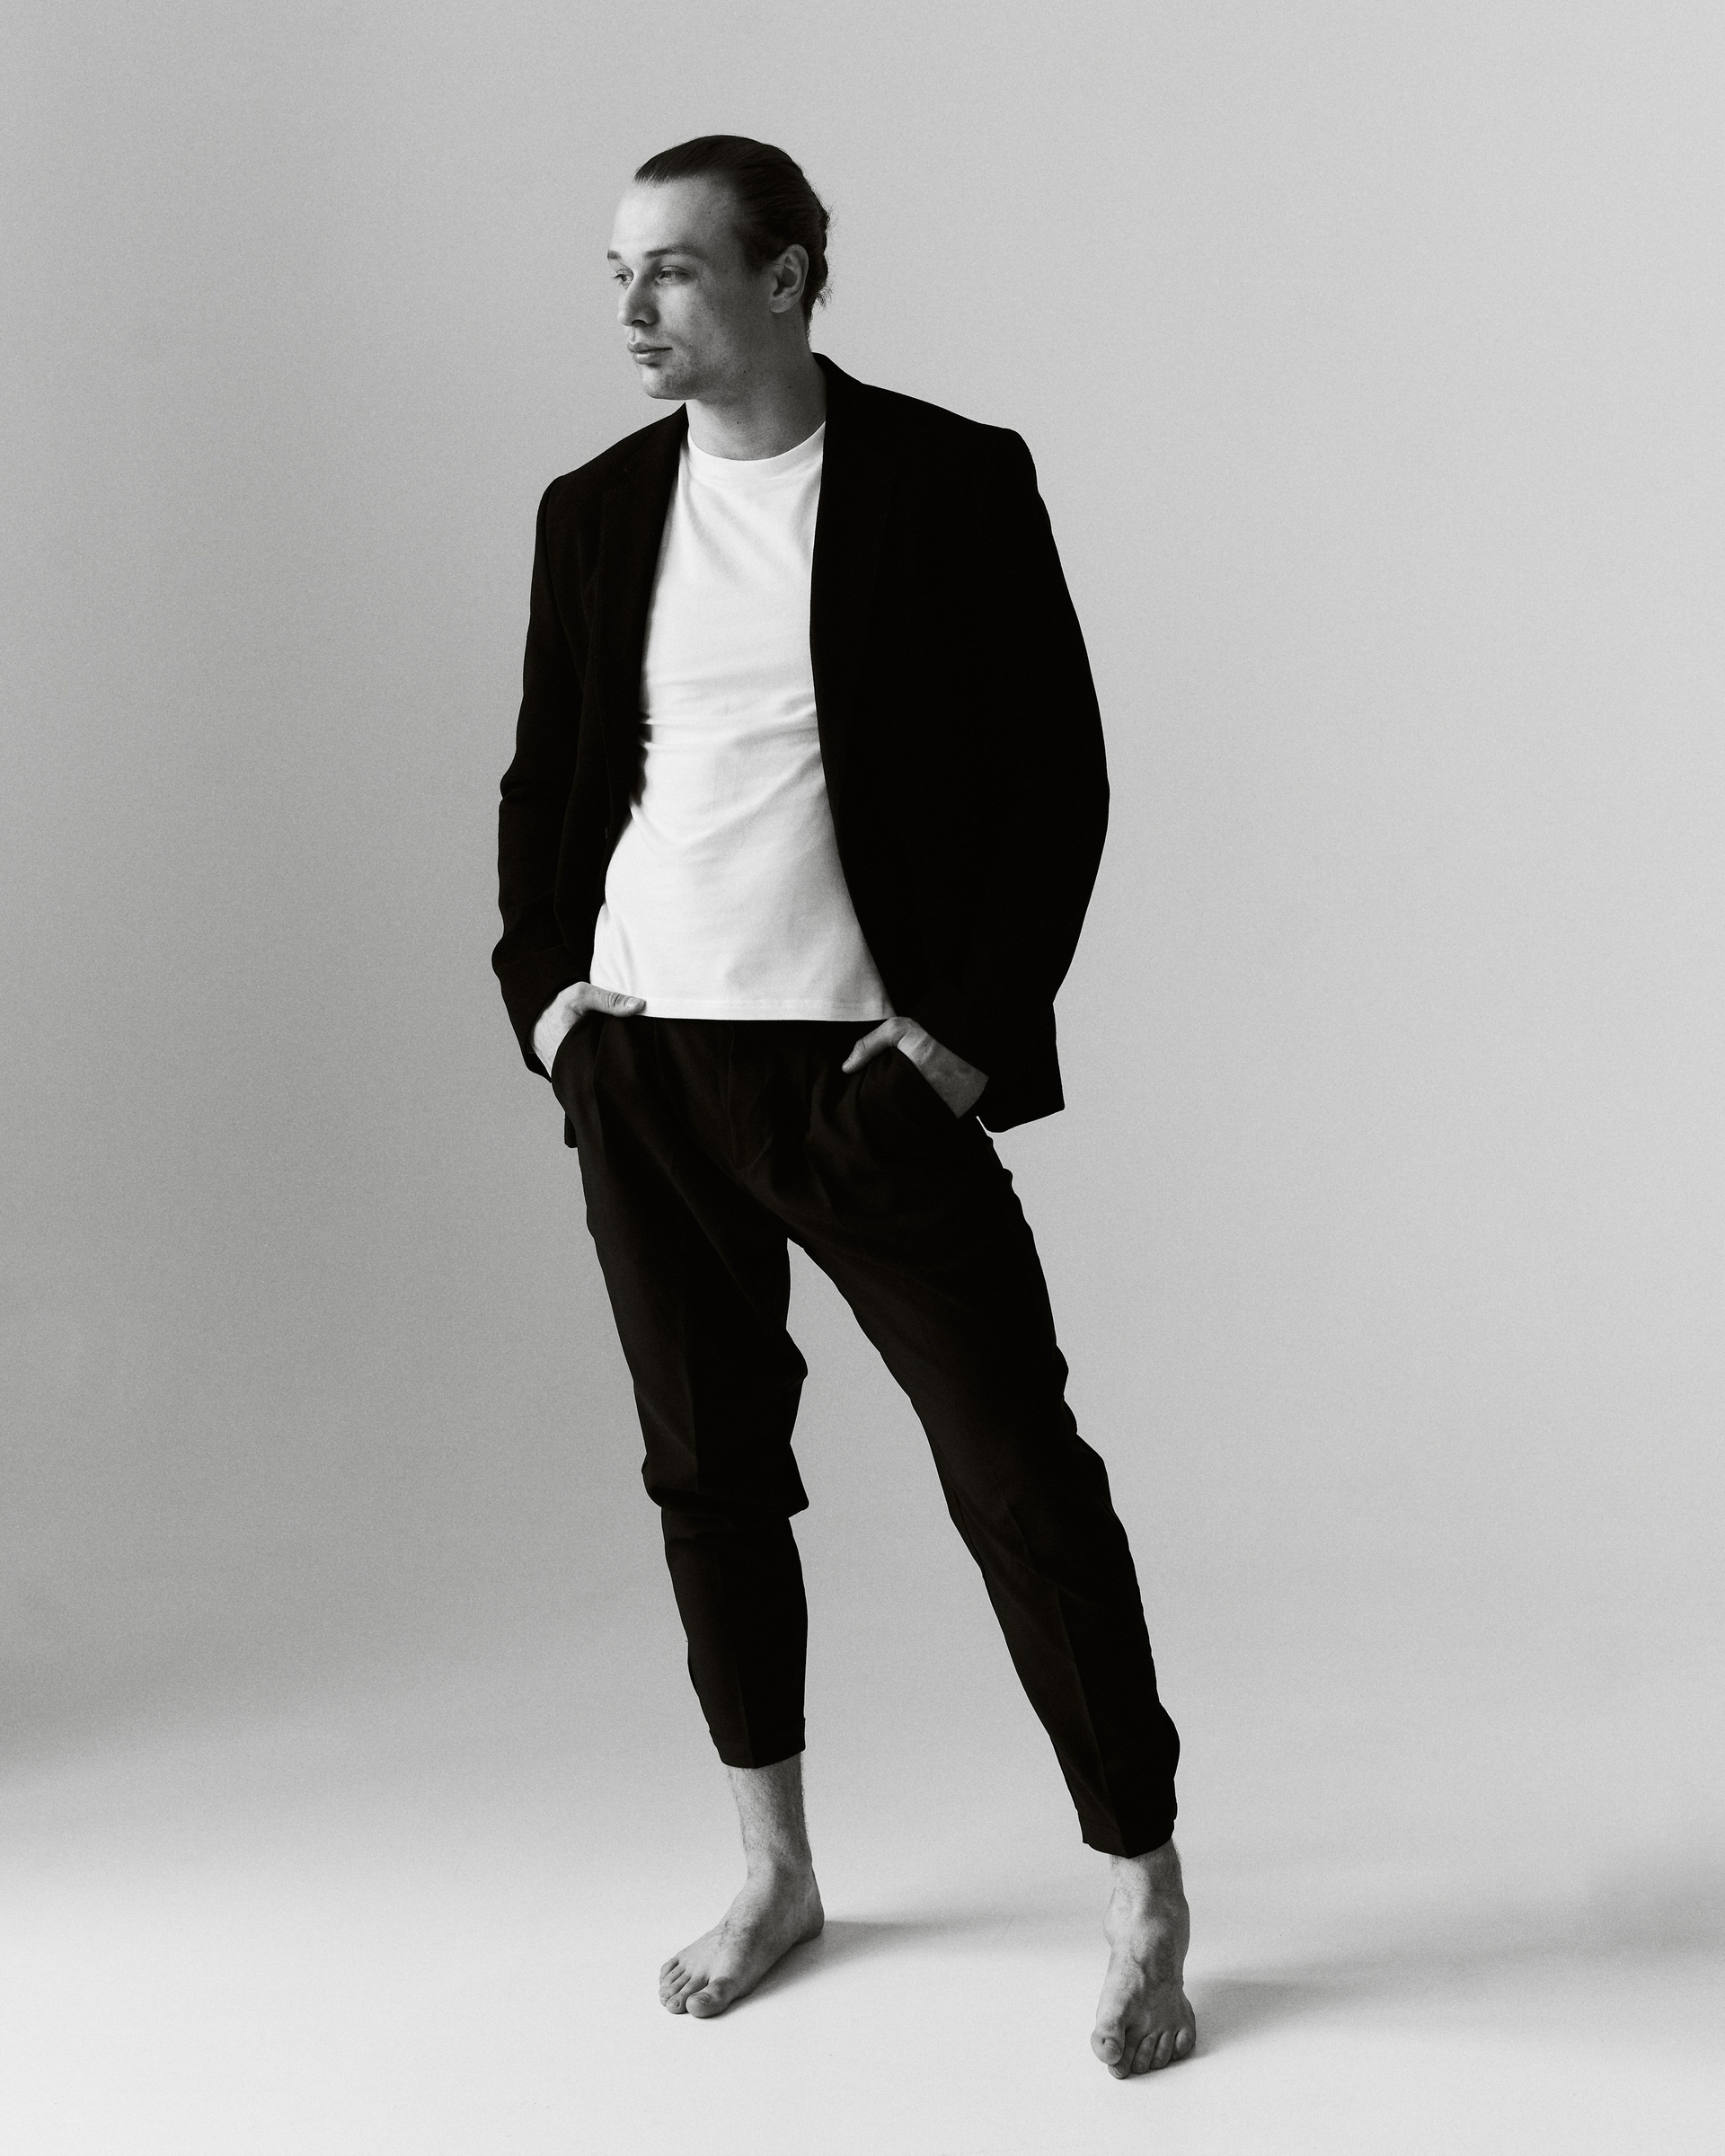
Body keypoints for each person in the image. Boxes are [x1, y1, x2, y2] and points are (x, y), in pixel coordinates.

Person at [492, 134, 1195, 2077]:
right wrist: (551, 1012)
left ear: (789, 276)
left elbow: (1055, 778)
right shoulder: (592, 510)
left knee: (1019, 1475)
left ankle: (1143, 1884)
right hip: (649, 1065)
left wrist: (963, 1038)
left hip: (868, 1076)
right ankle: (776, 1868)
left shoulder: (951, 481)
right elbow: (549, 777)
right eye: (620, 275)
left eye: (672, 270)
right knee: (710, 1476)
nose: (634, 309)